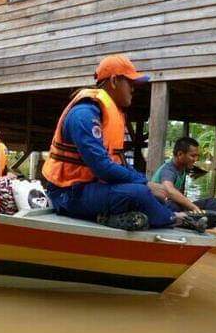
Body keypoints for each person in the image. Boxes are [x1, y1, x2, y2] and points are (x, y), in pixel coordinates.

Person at [42, 54, 207, 232]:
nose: (133, 89)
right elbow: (102, 167)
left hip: (90, 188)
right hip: (68, 193)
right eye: (130, 83)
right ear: (114, 81)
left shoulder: (105, 112)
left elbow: (117, 163)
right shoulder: (84, 114)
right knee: (139, 193)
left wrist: (144, 184)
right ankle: (175, 219)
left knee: (150, 193)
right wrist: (145, 184)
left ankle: (121, 217)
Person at [152, 137, 216, 228]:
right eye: (193, 156)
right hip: (160, 208)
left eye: (197, 156)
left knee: (213, 203)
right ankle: (190, 221)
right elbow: (169, 190)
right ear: (180, 154)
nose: (195, 159)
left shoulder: (183, 168)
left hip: (176, 208)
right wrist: (193, 207)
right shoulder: (168, 169)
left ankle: (193, 221)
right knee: (174, 205)